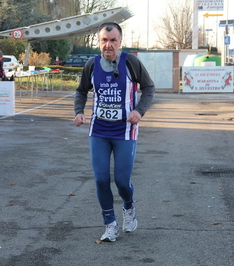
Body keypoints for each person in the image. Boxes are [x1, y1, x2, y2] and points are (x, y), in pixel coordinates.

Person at [73, 22, 155, 242]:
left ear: (120, 41)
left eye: (113, 41)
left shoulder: (131, 62)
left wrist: (139, 110)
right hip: (98, 130)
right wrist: (79, 112)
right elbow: (81, 91)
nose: (108, 45)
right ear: (99, 42)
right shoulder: (92, 64)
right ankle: (110, 224)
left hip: (125, 131)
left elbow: (149, 88)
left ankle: (128, 208)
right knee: (101, 179)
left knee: (121, 181)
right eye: (104, 40)